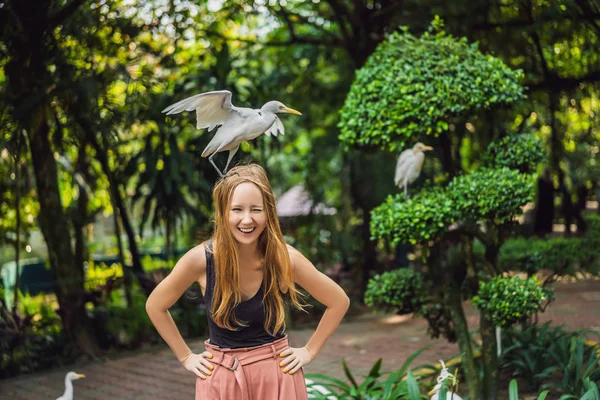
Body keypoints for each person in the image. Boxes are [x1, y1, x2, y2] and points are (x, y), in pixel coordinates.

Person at [146, 164, 350, 400]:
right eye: (236, 209)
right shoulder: (200, 260)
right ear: (223, 212)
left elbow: (338, 301)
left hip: (277, 376)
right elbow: (155, 305)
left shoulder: (284, 259)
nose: (246, 219)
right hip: (221, 378)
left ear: (268, 212)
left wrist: (310, 350)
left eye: (256, 209)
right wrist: (186, 357)